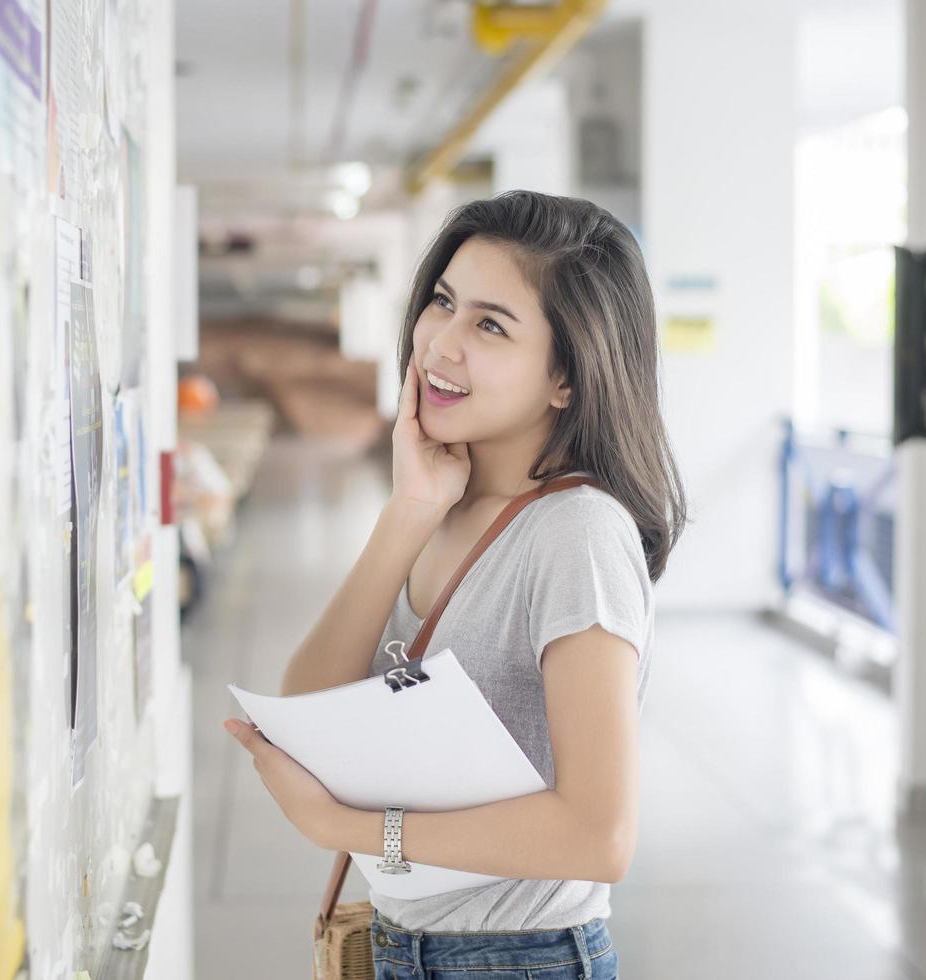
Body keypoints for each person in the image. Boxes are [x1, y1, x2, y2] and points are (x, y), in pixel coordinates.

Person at [224, 190, 688, 979]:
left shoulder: (575, 533)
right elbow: (307, 711)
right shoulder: (442, 504)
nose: (440, 343)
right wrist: (407, 513)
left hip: (522, 960)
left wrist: (354, 826)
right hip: (407, 946)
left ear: (567, 378)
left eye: (490, 325)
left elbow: (599, 836)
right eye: (442, 302)